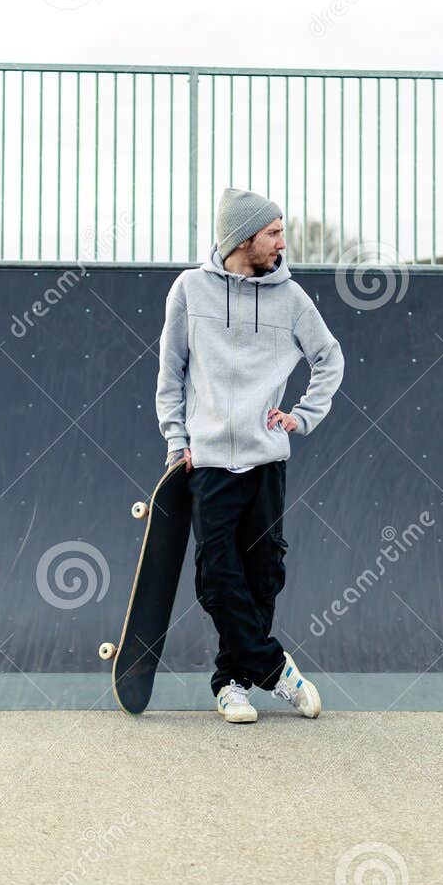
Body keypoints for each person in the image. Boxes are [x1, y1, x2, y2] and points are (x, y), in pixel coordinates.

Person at [155, 188, 345, 723]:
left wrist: (302, 416)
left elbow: (329, 358)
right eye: (273, 233)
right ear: (242, 239)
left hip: (265, 461)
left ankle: (232, 682)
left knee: (263, 574)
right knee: (217, 576)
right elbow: (171, 373)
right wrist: (177, 440)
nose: (283, 243)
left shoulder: (291, 299)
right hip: (208, 462)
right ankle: (274, 668)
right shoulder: (190, 291)